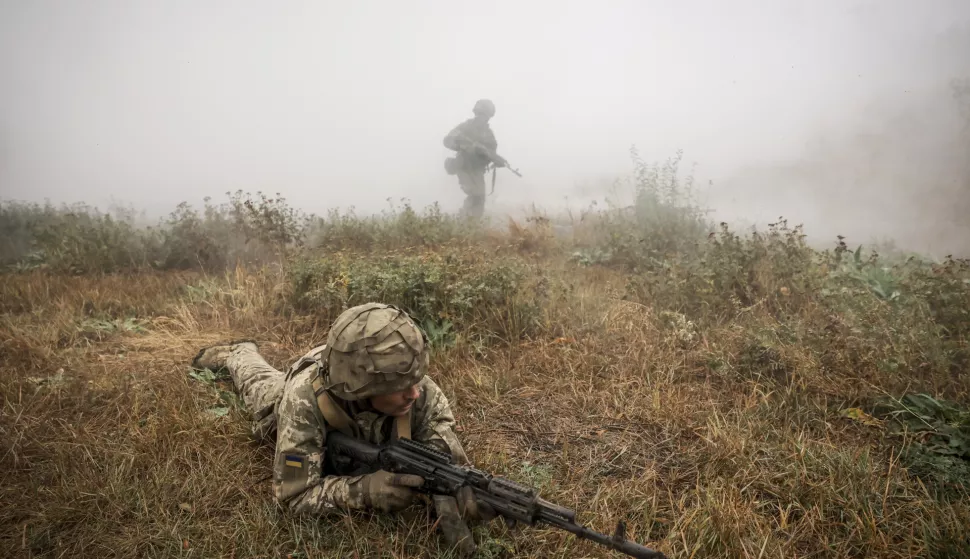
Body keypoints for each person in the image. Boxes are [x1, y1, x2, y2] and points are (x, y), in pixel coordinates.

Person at [191, 302, 494, 557]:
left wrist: (453, 487)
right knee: (257, 383)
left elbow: (444, 448)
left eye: (416, 381)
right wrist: (365, 491)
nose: (414, 394)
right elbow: (292, 497)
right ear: (362, 389)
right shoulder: (303, 401)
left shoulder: (415, 385)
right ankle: (239, 352)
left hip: (345, 364)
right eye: (400, 387)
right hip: (290, 390)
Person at [443, 99, 505, 218]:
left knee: (480, 199)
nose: (481, 118)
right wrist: (466, 147)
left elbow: (491, 153)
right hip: (464, 167)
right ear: (476, 113)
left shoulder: (489, 134)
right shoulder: (465, 127)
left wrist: (496, 160)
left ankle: (472, 227)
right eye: (479, 114)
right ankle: (463, 224)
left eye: (485, 115)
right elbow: (447, 140)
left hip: (477, 171)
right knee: (474, 196)